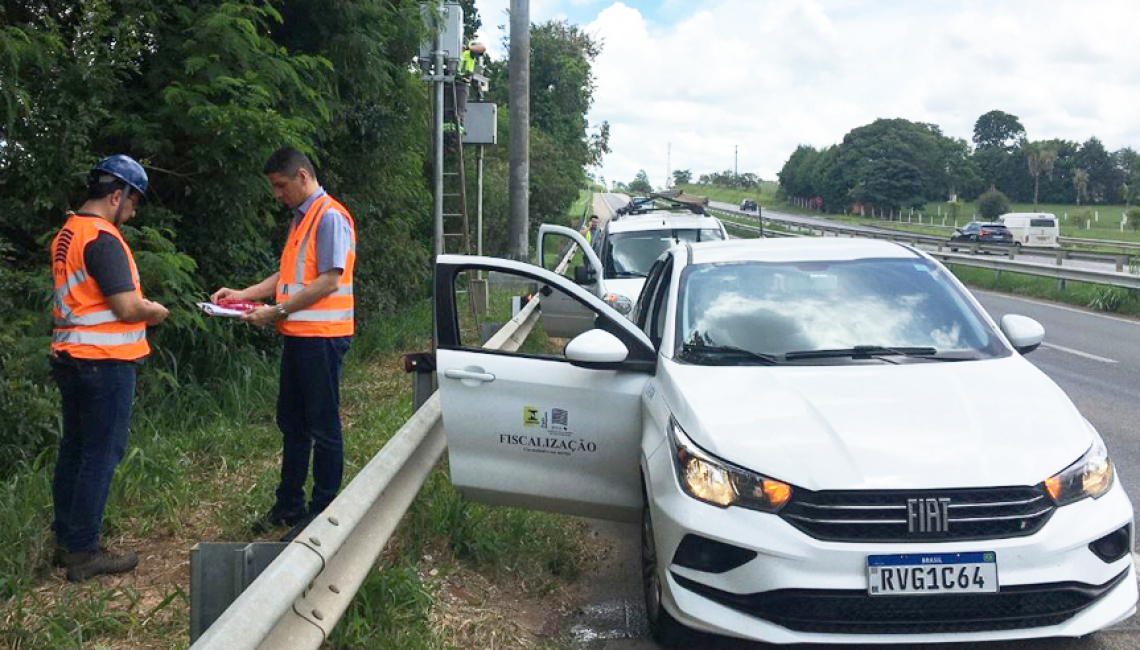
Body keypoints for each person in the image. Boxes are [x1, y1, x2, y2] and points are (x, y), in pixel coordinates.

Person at [212, 147, 356, 536]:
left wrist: (276, 311)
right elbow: (286, 276)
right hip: (298, 336)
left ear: (303, 177)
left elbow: (330, 279)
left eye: (280, 185)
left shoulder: (328, 217)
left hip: (322, 338)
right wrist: (244, 294)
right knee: (293, 424)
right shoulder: (301, 220)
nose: (277, 194)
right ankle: (289, 505)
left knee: (322, 427)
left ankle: (323, 510)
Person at [49, 154, 169, 582]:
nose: (133, 211)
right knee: (101, 452)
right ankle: (83, 552)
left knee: (76, 448)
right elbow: (126, 306)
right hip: (104, 362)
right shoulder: (102, 237)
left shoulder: (69, 232)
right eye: (133, 202)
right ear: (116, 195)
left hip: (71, 356)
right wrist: (154, 311)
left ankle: (67, 539)